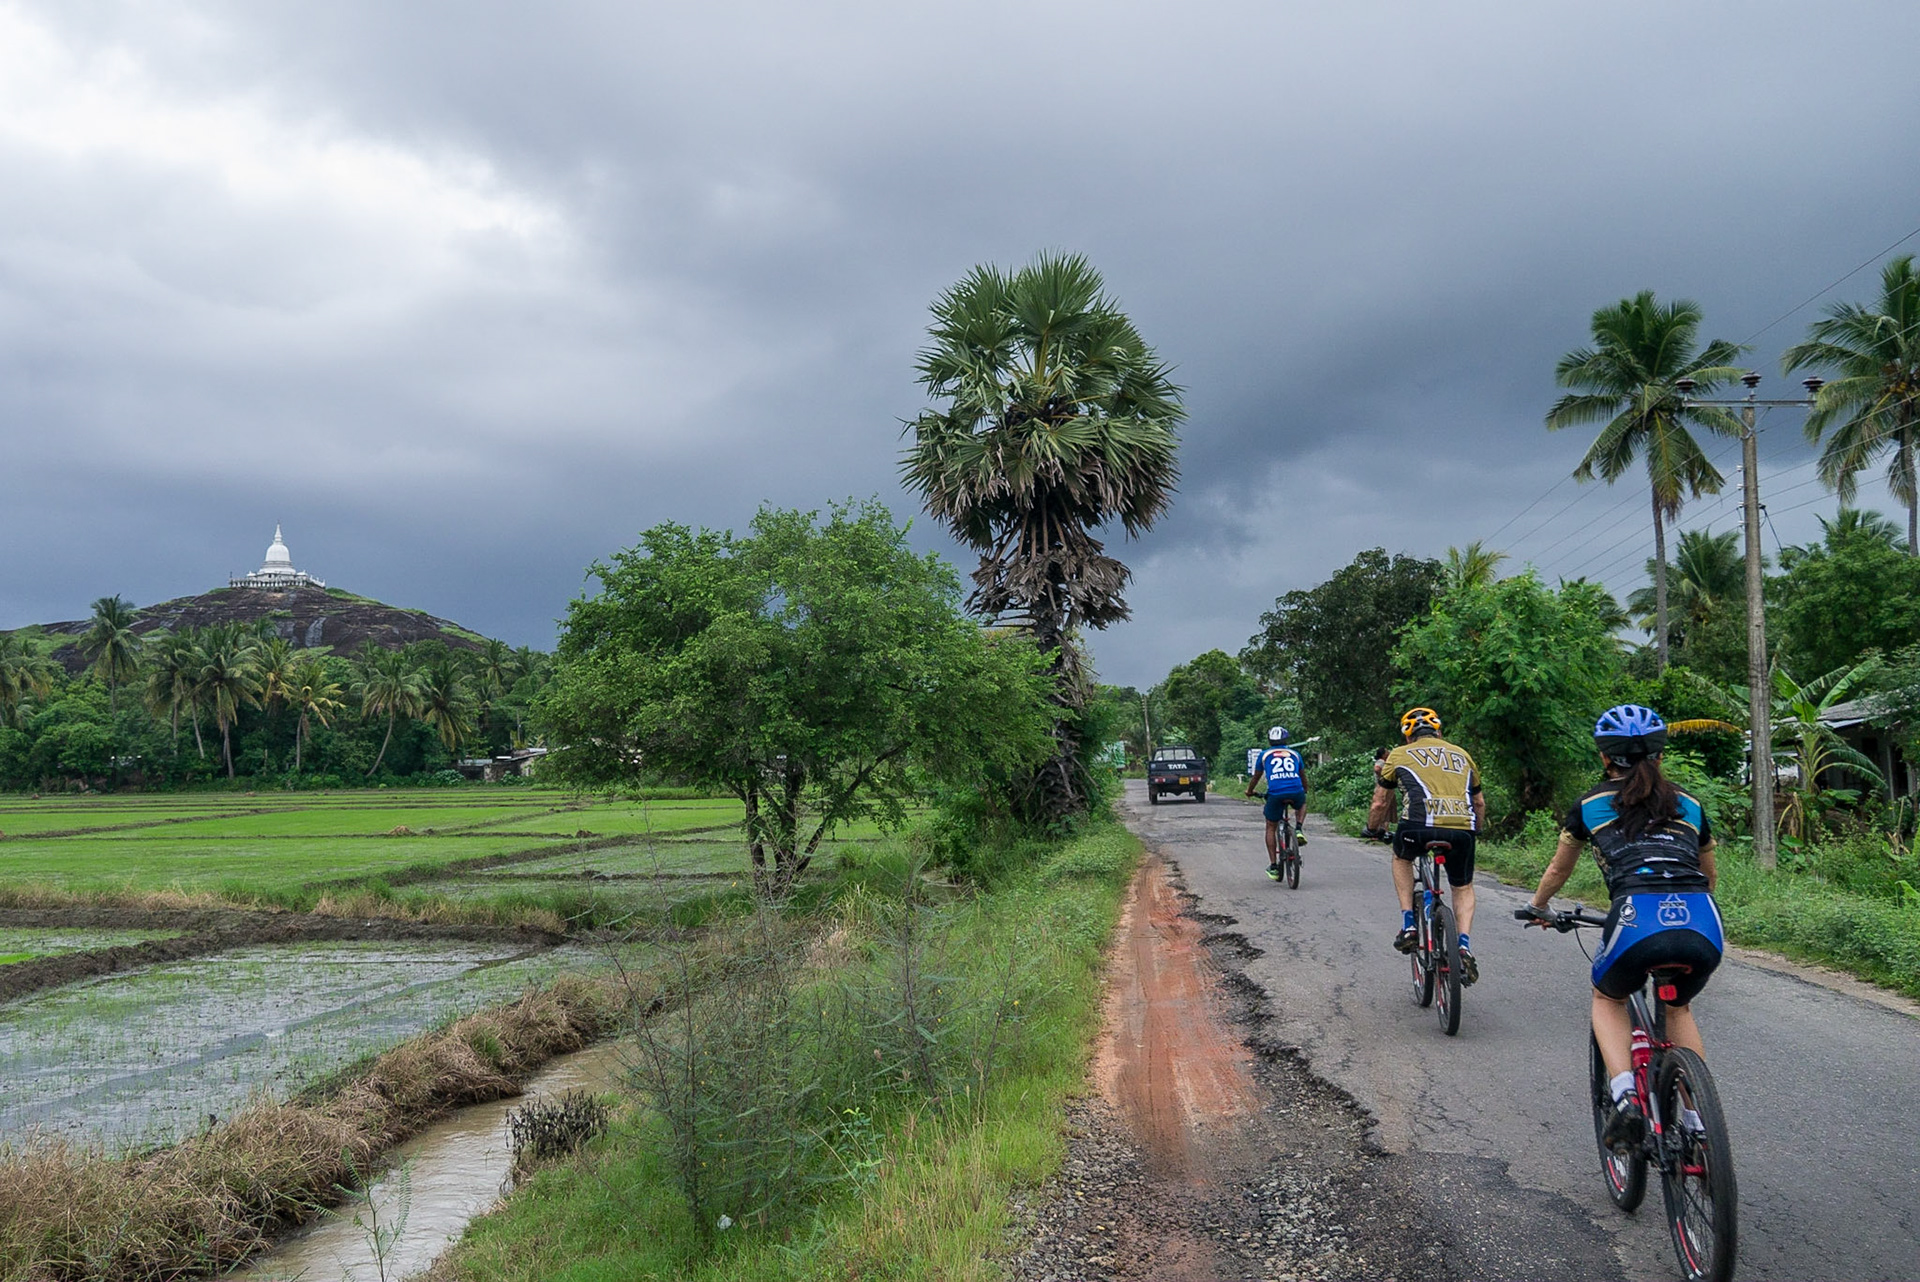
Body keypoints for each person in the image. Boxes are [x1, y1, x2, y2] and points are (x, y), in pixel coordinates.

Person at [1520, 704, 1721, 1152]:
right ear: (1660, 754)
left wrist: (1538, 907)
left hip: (1636, 917)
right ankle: (1697, 1122)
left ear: (1604, 757)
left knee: (1607, 997)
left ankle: (1626, 1096)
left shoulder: (1590, 805)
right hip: (1702, 918)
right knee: (1679, 1009)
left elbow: (1558, 870)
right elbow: (1708, 874)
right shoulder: (1690, 804)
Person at [1363, 707, 1487, 982]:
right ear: (1439, 732)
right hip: (1461, 830)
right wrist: (1474, 831)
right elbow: (1478, 802)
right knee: (1463, 886)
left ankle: (1409, 925)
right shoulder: (1463, 755)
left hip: (1417, 828)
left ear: (1409, 737)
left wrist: (1372, 829)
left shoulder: (1398, 754)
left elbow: (1380, 802)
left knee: (1401, 858)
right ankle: (1463, 946)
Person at [1246, 725, 1308, 880]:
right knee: (1302, 803)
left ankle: (1274, 866)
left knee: (1270, 826)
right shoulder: (1295, 754)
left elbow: (1256, 777)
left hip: (1275, 793)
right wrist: (1304, 790)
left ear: (1269, 740)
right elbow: (1302, 775)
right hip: (1296, 790)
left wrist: (1249, 791)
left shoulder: (1264, 755)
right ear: (1286, 739)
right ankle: (1299, 829)